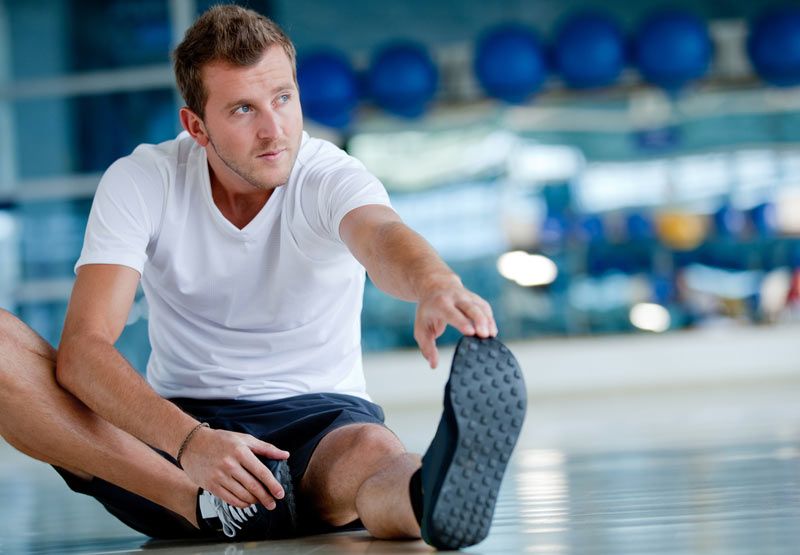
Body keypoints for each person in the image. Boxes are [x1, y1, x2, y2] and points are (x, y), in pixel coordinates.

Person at [0, 5, 525, 549]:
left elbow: (382, 237)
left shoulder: (328, 174)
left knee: (373, 456)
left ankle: (427, 494)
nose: (274, 130)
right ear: (196, 127)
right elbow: (85, 350)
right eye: (244, 109)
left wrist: (435, 283)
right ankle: (205, 507)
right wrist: (192, 444)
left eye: (283, 99)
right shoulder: (142, 180)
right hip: (177, 436)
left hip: (320, 422)